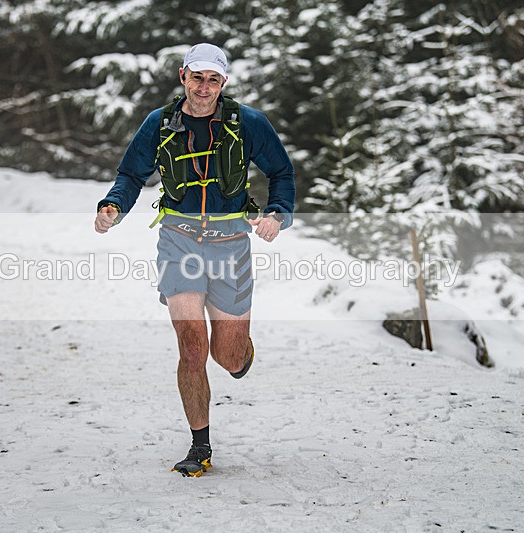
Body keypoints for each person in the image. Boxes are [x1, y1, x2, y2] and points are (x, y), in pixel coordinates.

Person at [94, 43, 295, 477]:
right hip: (178, 241)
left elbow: (282, 172)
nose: (204, 88)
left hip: (230, 244)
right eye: (197, 77)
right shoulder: (160, 124)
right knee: (191, 348)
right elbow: (130, 174)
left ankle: (241, 353)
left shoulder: (248, 124)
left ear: (223, 83)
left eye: (213, 80)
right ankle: (199, 446)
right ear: (182, 76)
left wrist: (278, 214)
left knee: (228, 356)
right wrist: (113, 206)